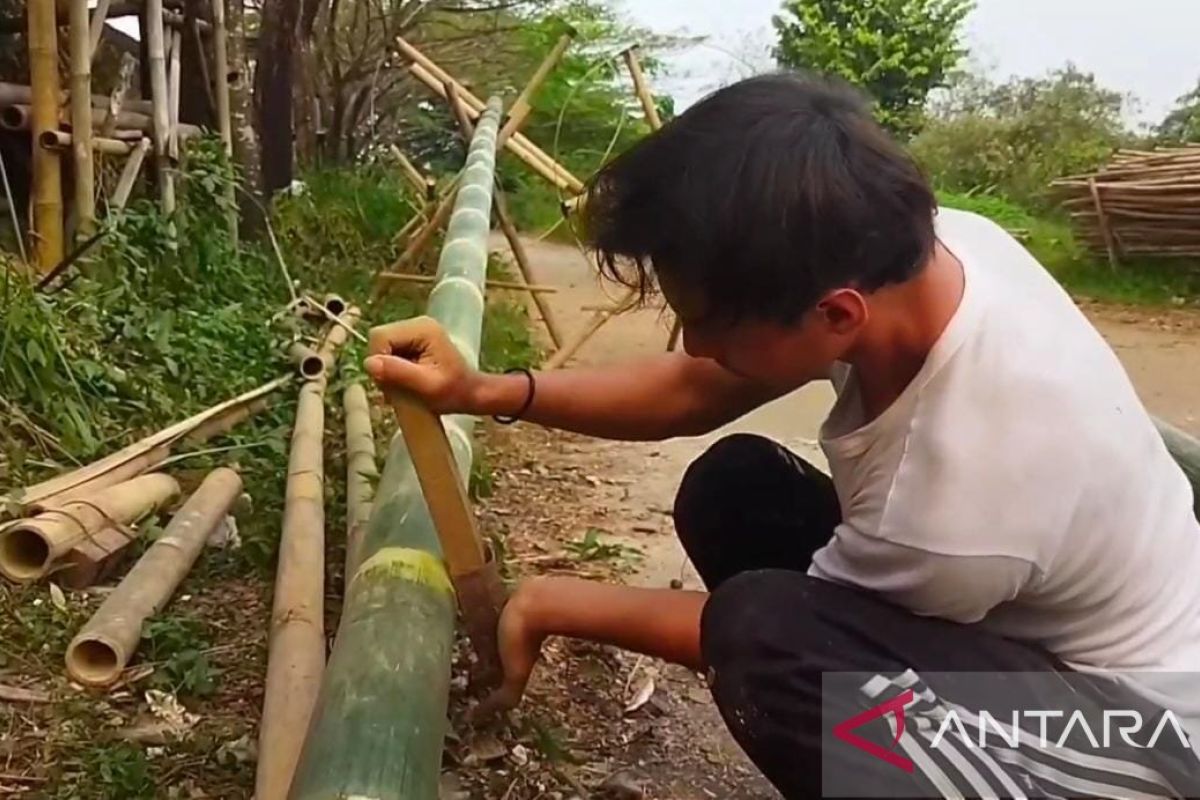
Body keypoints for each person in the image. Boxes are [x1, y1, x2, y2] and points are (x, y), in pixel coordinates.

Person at [365, 73, 1200, 798]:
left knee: (768, 645)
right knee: (738, 489)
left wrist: (557, 602)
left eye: (703, 322)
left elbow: (773, 641)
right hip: (1031, 632)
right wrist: (483, 391)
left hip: (1143, 738)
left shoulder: (960, 490)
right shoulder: (924, 255)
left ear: (836, 315)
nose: (692, 346)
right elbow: (697, 387)